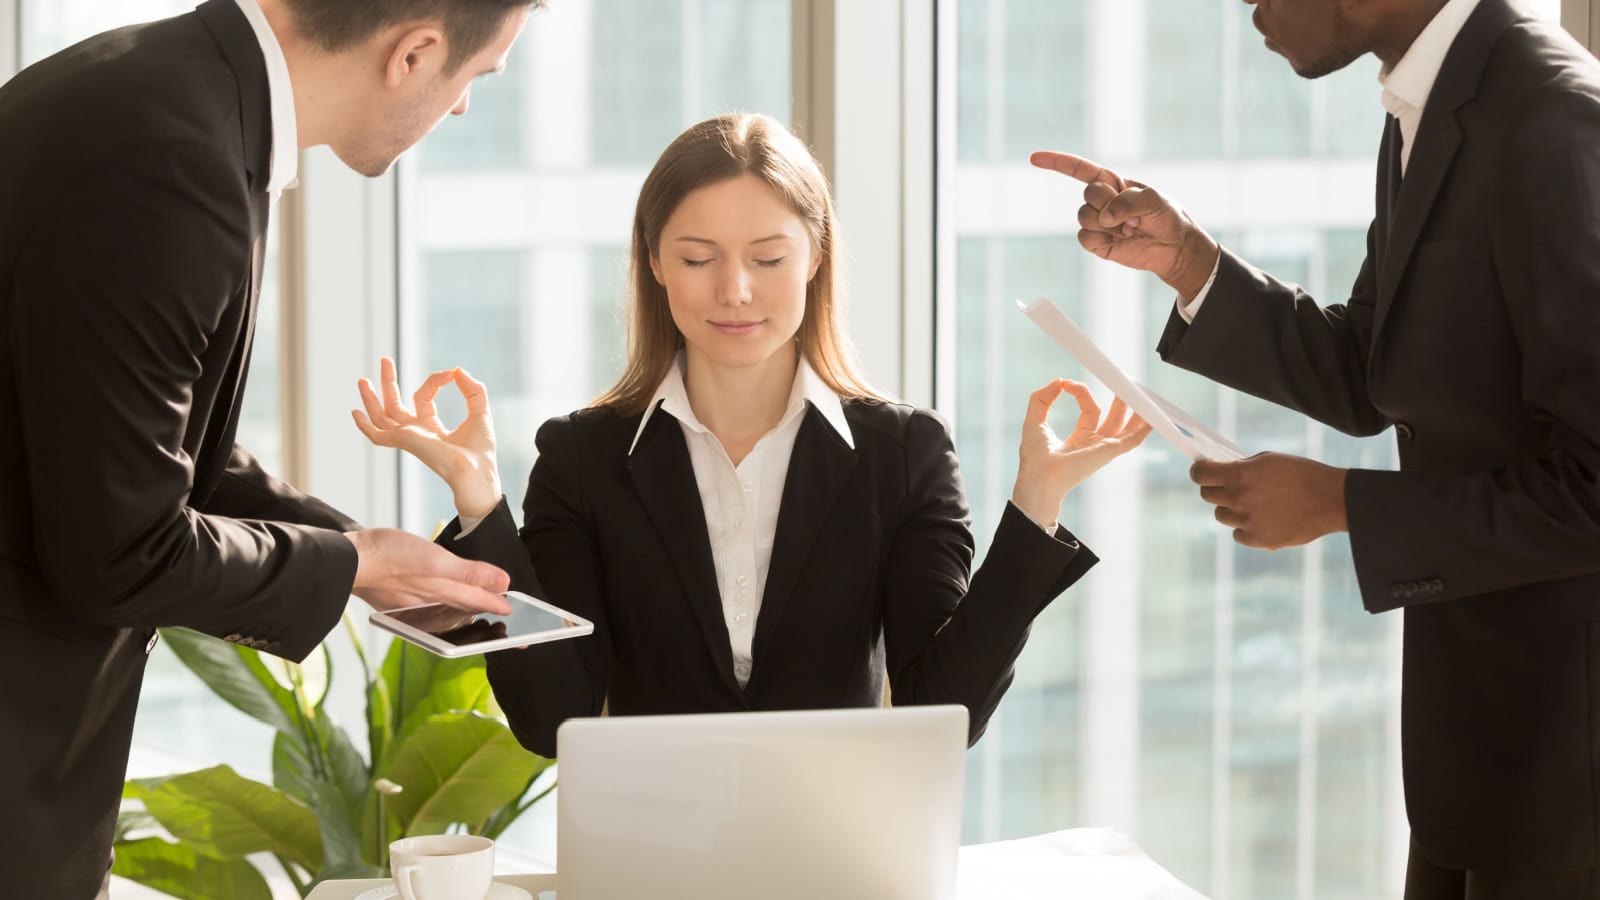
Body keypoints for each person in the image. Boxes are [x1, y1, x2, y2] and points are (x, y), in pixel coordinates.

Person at [354, 112, 1151, 756]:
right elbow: (552, 720)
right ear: (655, 264)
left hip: (842, 860)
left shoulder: (902, 453)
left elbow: (944, 712)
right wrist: (478, 497)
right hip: (652, 860)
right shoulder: (582, 457)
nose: (734, 291)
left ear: (814, 258)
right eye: (697, 258)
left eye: (768, 258)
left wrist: (1036, 501)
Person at [1034, 0, 1600, 895]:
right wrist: (1189, 263)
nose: (1249, 10)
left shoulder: (1552, 116)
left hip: (1566, 782)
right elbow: (1372, 371)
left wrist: (1344, 504)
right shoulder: (1432, 104)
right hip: (1476, 751)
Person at [0, 0, 546, 895]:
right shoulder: (172, 163)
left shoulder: (157, 87)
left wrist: (361, 550)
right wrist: (347, 564)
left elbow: (139, 443)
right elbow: (119, 549)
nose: (458, 112)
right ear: (413, 54)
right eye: (473, 80)